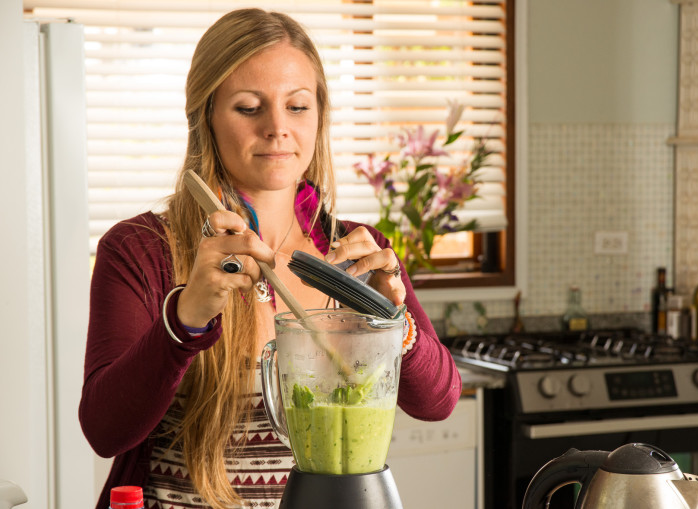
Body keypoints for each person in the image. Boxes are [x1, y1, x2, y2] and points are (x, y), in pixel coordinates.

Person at [79, 8, 462, 509]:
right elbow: (106, 431)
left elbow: (437, 401)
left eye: (297, 107)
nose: (277, 128)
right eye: (248, 107)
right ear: (205, 117)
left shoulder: (360, 252)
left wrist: (395, 321)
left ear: (319, 115)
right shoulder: (141, 250)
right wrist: (187, 315)